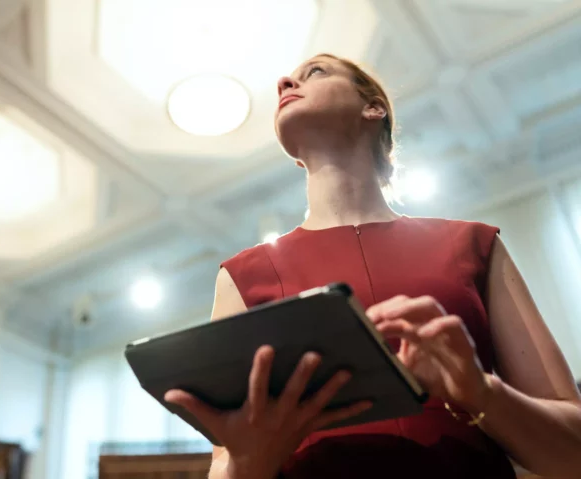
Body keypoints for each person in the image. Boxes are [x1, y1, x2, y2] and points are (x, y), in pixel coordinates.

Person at [163, 54, 581, 479]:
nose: (284, 81)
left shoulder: (474, 245)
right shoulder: (241, 276)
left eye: (316, 72)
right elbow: (223, 464)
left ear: (373, 107)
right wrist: (250, 461)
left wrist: (480, 392)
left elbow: (573, 455)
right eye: (289, 79)